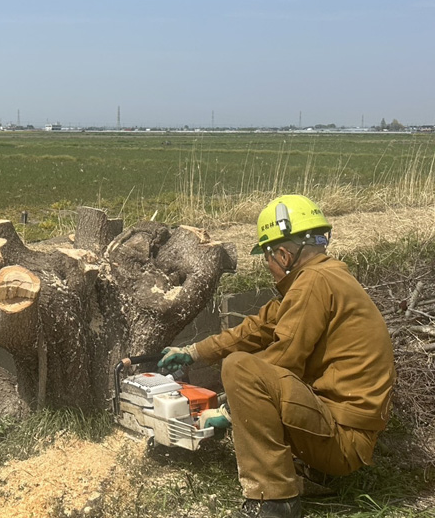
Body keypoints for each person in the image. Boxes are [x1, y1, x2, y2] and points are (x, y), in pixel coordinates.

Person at [158, 194, 396, 518]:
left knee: (240, 368)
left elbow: (284, 357)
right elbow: (253, 329)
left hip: (342, 439)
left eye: (267, 257)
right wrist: (193, 352)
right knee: (244, 364)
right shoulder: (324, 276)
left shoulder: (312, 283)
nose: (268, 266)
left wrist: (228, 410)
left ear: (283, 253)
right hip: (344, 429)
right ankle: (308, 473)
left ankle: (274, 501)